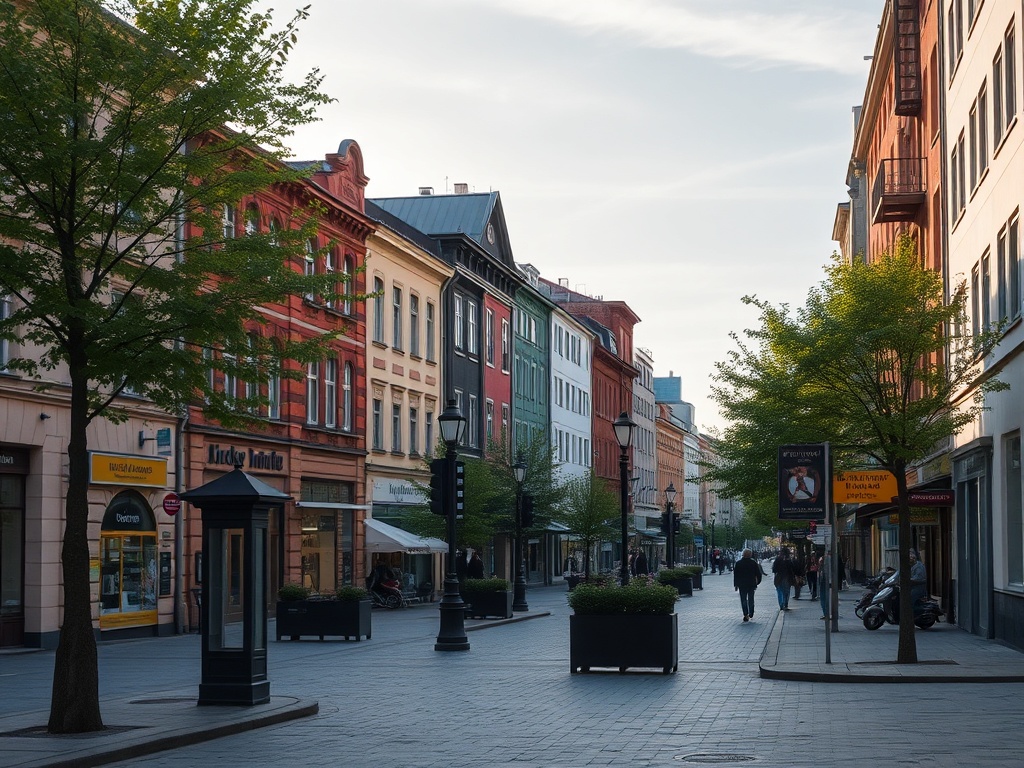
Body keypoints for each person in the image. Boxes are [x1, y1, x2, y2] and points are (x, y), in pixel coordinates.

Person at [733, 548, 762, 622]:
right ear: (750, 555)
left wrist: (736, 585)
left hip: (742, 585)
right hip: (751, 584)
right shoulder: (753, 563)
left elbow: (736, 575)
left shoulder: (738, 563)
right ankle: (751, 612)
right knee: (751, 599)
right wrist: (757, 582)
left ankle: (745, 614)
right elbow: (758, 574)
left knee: (743, 599)